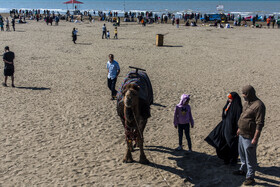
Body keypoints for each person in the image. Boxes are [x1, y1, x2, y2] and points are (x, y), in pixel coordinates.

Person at [233, 85, 266, 186]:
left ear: (249, 94)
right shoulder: (247, 103)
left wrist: (255, 138)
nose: (243, 96)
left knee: (250, 157)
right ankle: (243, 170)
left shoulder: (259, 105)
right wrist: (239, 128)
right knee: (242, 154)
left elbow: (260, 123)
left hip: (250, 136)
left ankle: (250, 177)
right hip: (242, 133)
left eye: (244, 94)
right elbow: (243, 116)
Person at [205, 92, 242, 165]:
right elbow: (224, 114)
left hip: (232, 129)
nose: (229, 100)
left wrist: (238, 128)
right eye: (228, 98)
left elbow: (238, 119)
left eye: (230, 98)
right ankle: (226, 158)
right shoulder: (228, 104)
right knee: (223, 141)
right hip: (225, 126)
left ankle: (233, 159)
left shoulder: (238, 107)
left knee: (231, 143)